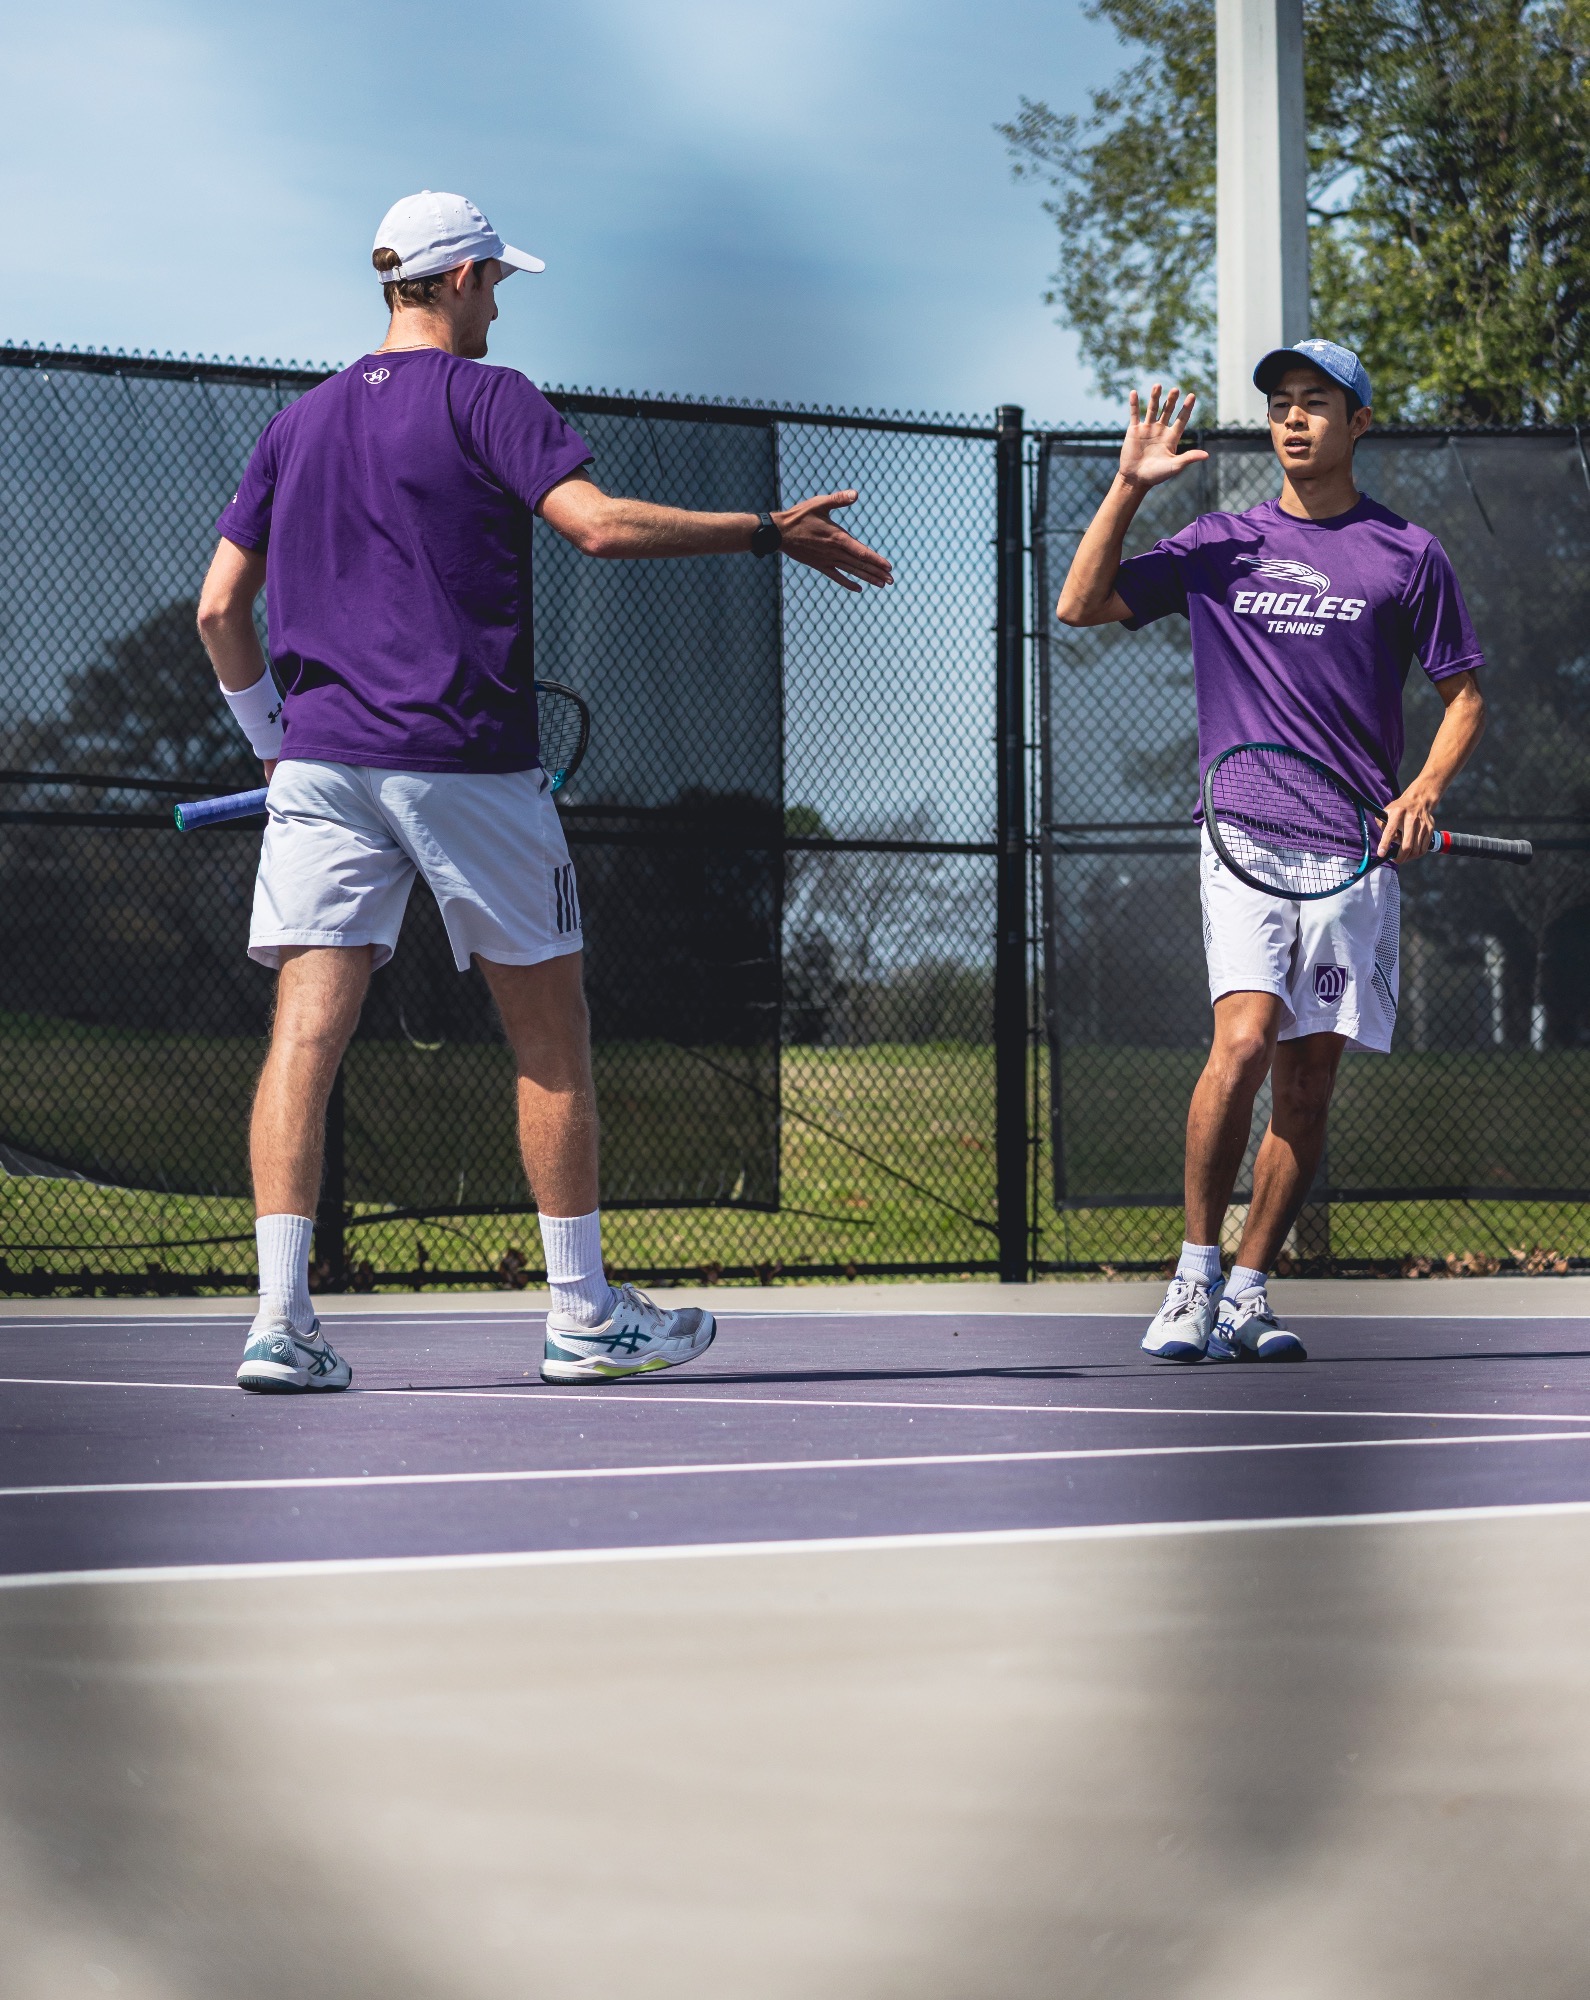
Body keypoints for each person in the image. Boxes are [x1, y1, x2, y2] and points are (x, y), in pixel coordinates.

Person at [196, 190, 892, 1394]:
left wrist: (270, 738)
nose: (501, 301)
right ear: (458, 278)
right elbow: (601, 528)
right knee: (551, 1033)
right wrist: (765, 531)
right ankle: (582, 1315)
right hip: (463, 759)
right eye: (496, 281)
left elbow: (218, 609)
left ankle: (278, 1323)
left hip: (317, 764)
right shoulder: (491, 399)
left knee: (304, 1036)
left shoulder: (293, 425)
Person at [1056, 338, 1486, 1363]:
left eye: (1316, 403)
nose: (1293, 420)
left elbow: (1464, 691)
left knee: (1306, 1083)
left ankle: (1251, 1289)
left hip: (1352, 851)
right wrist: (1126, 487)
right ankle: (1191, 1277)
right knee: (1243, 1041)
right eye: (1281, 404)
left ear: (1358, 424)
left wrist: (1423, 788)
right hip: (1244, 828)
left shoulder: (1408, 554)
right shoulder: (1221, 541)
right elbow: (1079, 604)